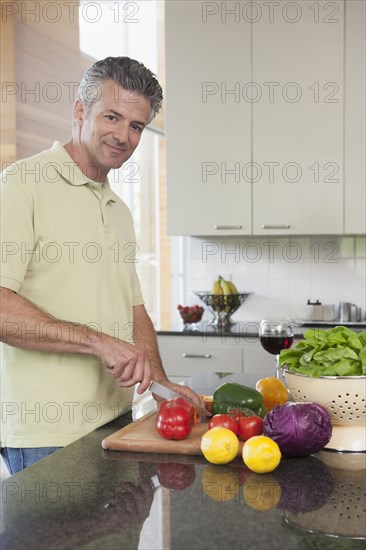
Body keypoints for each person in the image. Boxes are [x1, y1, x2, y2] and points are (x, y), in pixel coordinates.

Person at [0, 56, 201, 475]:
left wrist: (160, 383)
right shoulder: (22, 185)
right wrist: (98, 342)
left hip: (116, 423)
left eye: (136, 125)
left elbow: (133, 309)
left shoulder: (118, 209)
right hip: (47, 434)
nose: (124, 135)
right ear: (79, 111)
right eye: (112, 116)